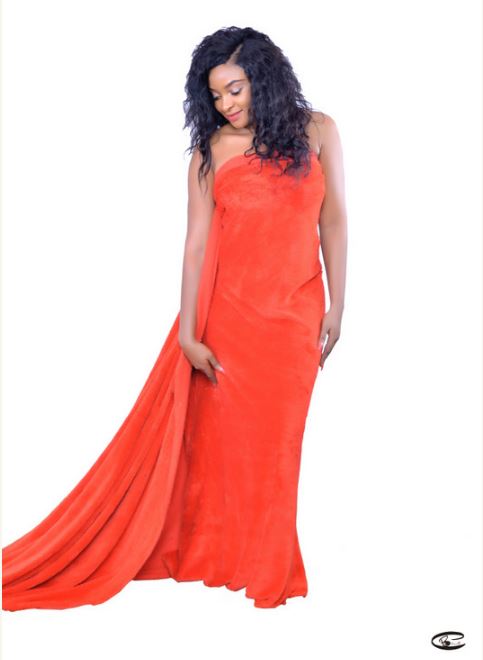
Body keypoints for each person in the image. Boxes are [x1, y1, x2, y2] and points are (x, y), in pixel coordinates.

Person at [2, 26, 347, 611]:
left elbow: (333, 220)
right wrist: (188, 332)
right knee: (229, 449)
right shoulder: (212, 152)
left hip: (296, 315)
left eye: (235, 89)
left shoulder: (319, 130)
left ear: (263, 79)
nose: (226, 104)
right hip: (229, 320)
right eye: (215, 95)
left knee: (278, 447)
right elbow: (196, 245)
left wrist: (339, 304)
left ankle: (263, 565)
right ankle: (233, 559)